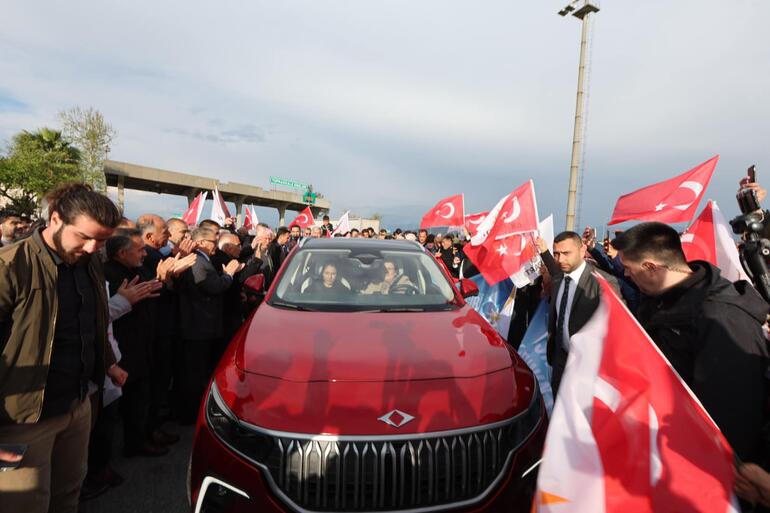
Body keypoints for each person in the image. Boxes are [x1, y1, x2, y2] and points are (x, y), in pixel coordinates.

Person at [0, 183, 126, 513]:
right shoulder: (10, 266)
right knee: (24, 505)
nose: (92, 247)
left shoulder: (92, 263)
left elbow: (95, 322)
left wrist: (109, 364)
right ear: (55, 219)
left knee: (68, 494)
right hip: (23, 418)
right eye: (84, 237)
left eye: (101, 241)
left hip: (79, 403)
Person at [613, 221, 769, 464]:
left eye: (628, 267)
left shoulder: (721, 317)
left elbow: (735, 415)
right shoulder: (656, 301)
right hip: (662, 444)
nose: (625, 274)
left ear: (651, 267)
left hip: (703, 463)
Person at [536, 231, 619, 395]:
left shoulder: (603, 283)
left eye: (566, 253)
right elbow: (554, 268)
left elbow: (617, 330)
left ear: (582, 250)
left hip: (589, 367)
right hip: (560, 361)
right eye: (556, 254)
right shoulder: (559, 278)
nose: (560, 260)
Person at [176, 227, 243, 423]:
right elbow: (213, 287)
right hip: (198, 326)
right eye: (214, 242)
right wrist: (229, 275)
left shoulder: (203, 260)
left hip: (203, 325)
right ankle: (189, 414)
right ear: (202, 243)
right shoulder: (198, 262)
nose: (216, 246)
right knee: (193, 374)